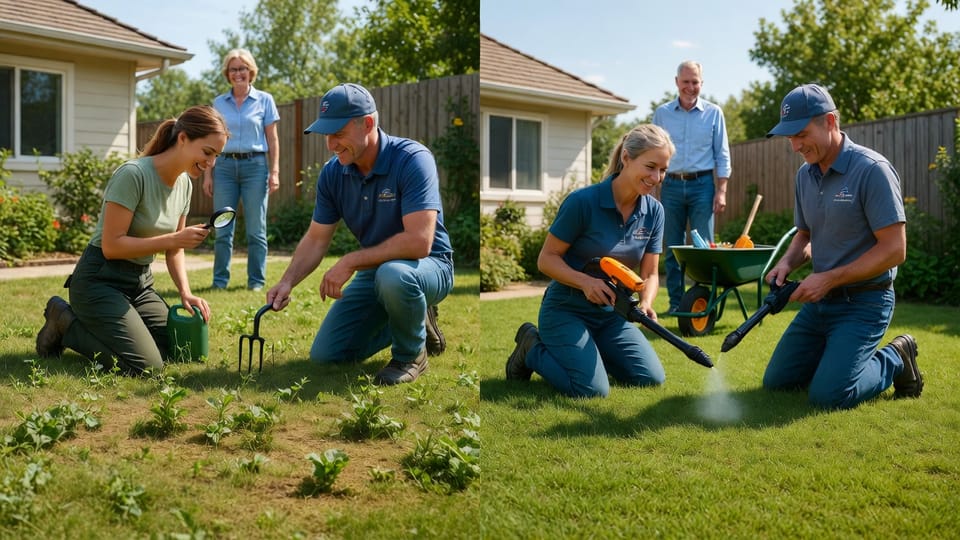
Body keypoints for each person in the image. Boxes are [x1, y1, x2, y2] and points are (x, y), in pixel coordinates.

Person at [265, 83, 453, 386]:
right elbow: (316, 238)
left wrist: (351, 260)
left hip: (429, 266)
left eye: (338, 134)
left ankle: (410, 356)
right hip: (377, 270)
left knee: (394, 275)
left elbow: (420, 242)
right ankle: (416, 319)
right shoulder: (333, 173)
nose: (330, 144)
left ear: (367, 123)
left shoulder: (412, 159)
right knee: (327, 355)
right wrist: (287, 281)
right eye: (327, 135)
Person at [35, 105, 229, 375]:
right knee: (146, 366)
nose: (211, 163)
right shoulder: (133, 175)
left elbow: (175, 249)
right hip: (99, 280)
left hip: (139, 283)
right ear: (183, 138)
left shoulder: (185, 183)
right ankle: (64, 321)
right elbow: (112, 246)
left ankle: (114, 328)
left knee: (177, 349)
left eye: (217, 155)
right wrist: (173, 238)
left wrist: (185, 292)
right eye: (207, 152)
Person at [763, 83, 923, 409]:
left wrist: (830, 278)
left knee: (830, 397)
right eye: (789, 137)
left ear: (831, 122)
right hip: (820, 305)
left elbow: (895, 249)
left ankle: (896, 357)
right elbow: (805, 235)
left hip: (864, 302)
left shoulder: (872, 170)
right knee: (777, 382)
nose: (795, 145)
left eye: (802, 134)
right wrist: (786, 264)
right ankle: (835, 361)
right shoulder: (805, 176)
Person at [505, 124, 673, 398]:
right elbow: (546, 259)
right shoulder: (583, 202)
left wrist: (646, 303)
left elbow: (651, 273)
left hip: (612, 314)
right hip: (566, 309)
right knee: (591, 391)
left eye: (663, 170)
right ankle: (531, 347)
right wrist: (585, 282)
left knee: (649, 378)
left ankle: (589, 354)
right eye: (651, 166)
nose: (657, 177)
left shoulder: (654, 212)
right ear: (627, 159)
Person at [652, 60, 732, 313]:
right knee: (673, 248)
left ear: (701, 83)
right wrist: (653, 189)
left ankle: (701, 305)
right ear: (676, 82)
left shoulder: (713, 113)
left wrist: (722, 190)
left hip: (703, 186)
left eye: (695, 82)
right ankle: (676, 304)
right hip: (671, 186)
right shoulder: (662, 113)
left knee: (702, 250)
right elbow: (652, 151)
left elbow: (722, 154)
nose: (690, 87)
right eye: (685, 82)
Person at [203, 48, 280, 291]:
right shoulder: (218, 103)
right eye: (234, 69)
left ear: (251, 71)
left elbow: (273, 139)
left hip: (255, 167)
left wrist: (275, 171)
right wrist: (208, 173)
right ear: (228, 73)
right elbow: (211, 140)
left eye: (243, 68)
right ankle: (219, 282)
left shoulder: (265, 100)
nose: (238, 73)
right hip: (224, 167)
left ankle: (256, 282)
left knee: (257, 229)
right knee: (222, 227)